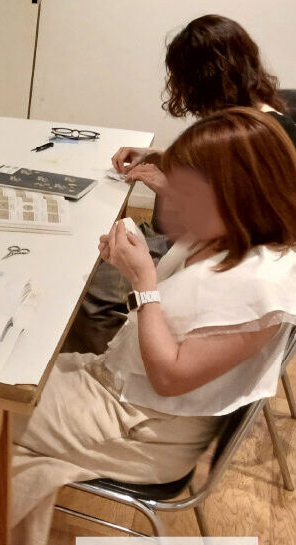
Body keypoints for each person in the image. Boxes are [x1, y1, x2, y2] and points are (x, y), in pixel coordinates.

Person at [0, 108, 296, 545]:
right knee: (3, 372)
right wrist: (168, 185)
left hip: (145, 428)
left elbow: (169, 378)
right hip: (122, 389)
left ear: (235, 194)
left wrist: (142, 281)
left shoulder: (265, 288)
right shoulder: (238, 233)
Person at [63, 14, 296, 355]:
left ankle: (113, 360)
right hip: (198, 242)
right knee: (94, 255)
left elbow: (244, 225)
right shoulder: (245, 118)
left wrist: (172, 191)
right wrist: (161, 156)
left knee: (93, 287)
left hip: (218, 257)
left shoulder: (262, 135)